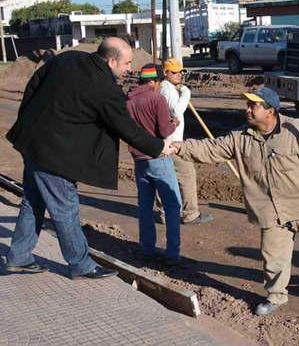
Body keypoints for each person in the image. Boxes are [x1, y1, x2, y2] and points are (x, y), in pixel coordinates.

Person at [170, 88, 299, 316]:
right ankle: (276, 296)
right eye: (247, 105)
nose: (247, 109)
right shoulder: (240, 138)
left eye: (253, 105)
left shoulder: (295, 128)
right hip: (270, 210)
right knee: (273, 256)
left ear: (270, 110)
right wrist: (180, 147)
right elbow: (210, 148)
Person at [4, 37, 173, 279]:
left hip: (32, 144)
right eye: (127, 63)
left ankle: (19, 257)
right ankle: (81, 265)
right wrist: (159, 147)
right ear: (112, 60)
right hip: (55, 156)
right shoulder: (105, 87)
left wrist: (26, 122)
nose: (129, 69)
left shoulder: (66, 58)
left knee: (33, 201)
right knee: (66, 208)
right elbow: (126, 128)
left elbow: (33, 85)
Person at [126, 64, 182, 266]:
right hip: (159, 158)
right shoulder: (156, 98)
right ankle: (172, 254)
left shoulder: (129, 100)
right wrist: (175, 122)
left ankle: (147, 249)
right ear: (155, 81)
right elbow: (165, 131)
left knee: (145, 207)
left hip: (139, 160)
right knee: (173, 205)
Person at [157, 58, 213, 224]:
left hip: (164, 141)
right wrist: (186, 93)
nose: (179, 75)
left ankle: (165, 214)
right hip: (172, 143)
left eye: (180, 71)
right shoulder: (168, 90)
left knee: (165, 176)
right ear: (165, 73)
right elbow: (176, 110)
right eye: (174, 72)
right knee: (187, 174)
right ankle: (190, 214)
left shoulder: (166, 87)